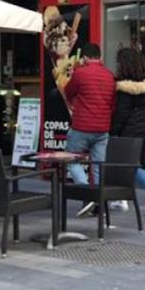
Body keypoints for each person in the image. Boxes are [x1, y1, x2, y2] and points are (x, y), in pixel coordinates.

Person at [109, 47, 145, 217]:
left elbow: (122, 112)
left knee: (130, 164)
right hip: (142, 127)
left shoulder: (125, 87)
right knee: (126, 163)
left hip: (129, 128)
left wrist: (113, 130)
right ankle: (122, 199)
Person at [62, 43, 117, 217]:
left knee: (71, 159)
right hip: (102, 128)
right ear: (100, 58)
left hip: (82, 127)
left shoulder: (80, 73)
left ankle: (87, 193)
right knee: (98, 166)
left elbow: (68, 92)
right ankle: (98, 203)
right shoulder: (110, 76)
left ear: (84, 58)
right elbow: (113, 104)